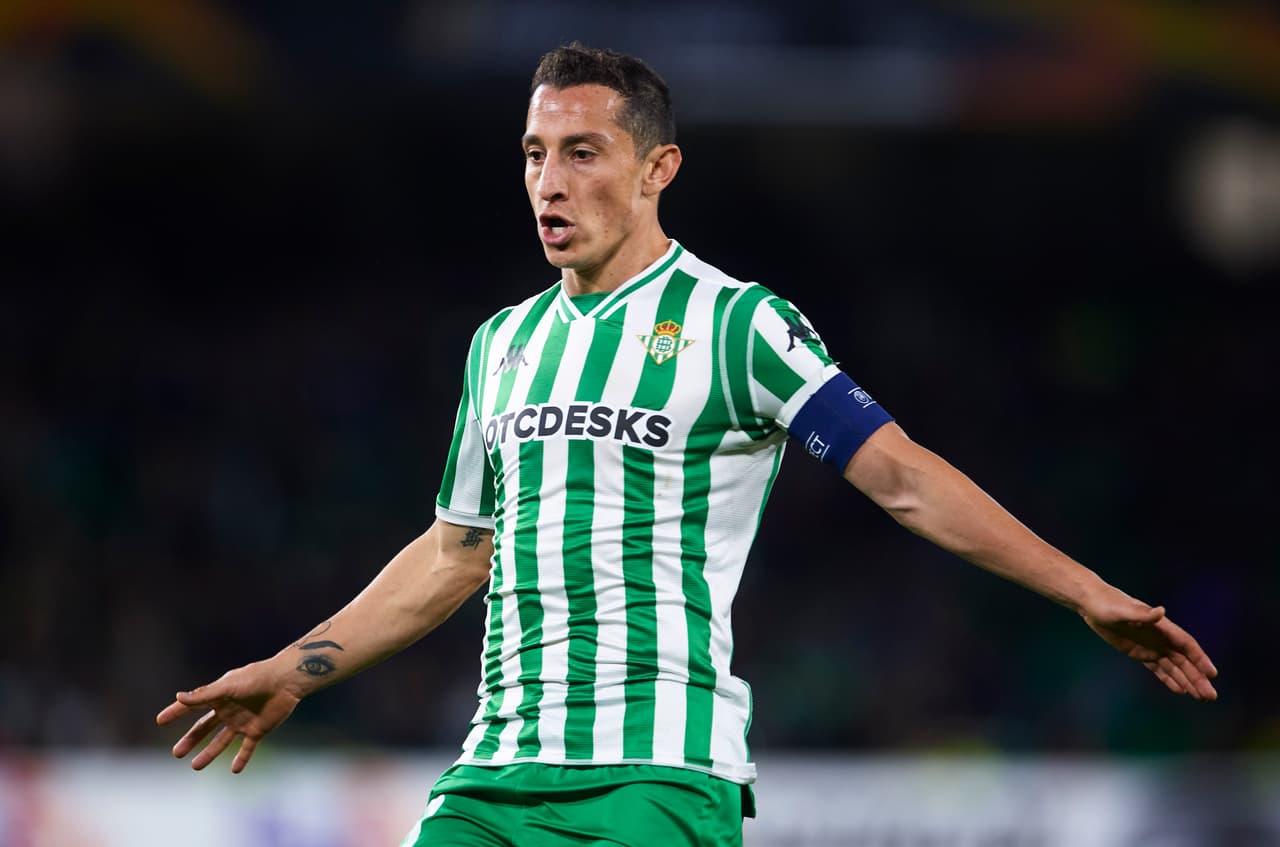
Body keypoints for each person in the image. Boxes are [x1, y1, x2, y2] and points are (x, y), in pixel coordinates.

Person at [156, 43, 1219, 846]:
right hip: (493, 774)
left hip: (655, 774)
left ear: (658, 166)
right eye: (534, 154)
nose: (549, 182)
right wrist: (296, 668)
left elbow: (899, 476)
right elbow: (455, 552)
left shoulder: (738, 323)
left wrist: (1083, 590)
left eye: (582, 152)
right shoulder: (502, 345)